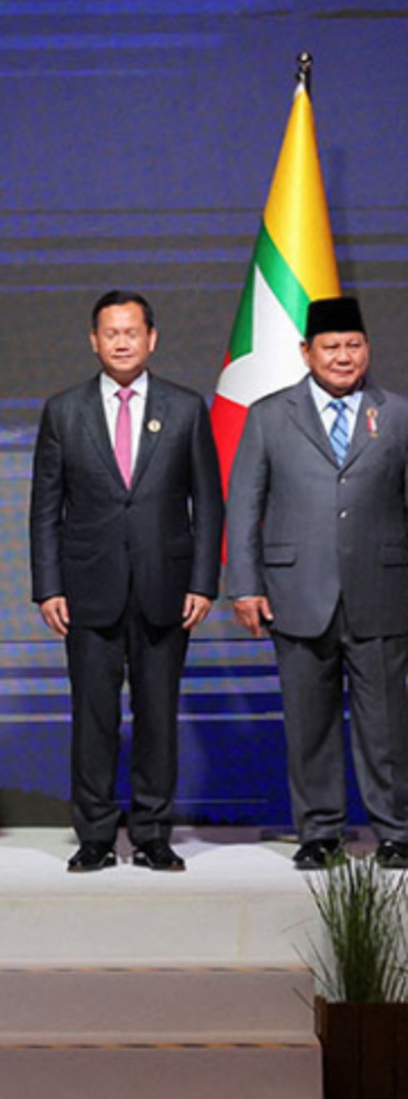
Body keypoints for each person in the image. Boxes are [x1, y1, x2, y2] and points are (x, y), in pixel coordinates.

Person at [29, 291, 223, 873]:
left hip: (167, 589)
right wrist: (48, 586)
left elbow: (208, 504)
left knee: (157, 717)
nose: (121, 342)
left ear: (151, 339)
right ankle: (93, 836)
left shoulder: (185, 409)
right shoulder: (64, 411)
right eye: (110, 333)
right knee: (93, 719)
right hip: (87, 591)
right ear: (94, 340)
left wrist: (204, 583)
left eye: (131, 332)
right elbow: (45, 508)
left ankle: (152, 835)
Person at [226, 295, 408, 870]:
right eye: (331, 347)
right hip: (295, 593)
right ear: (307, 351)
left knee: (388, 726)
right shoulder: (268, 415)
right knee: (309, 724)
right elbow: (244, 506)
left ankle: (395, 831)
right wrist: (245, 586)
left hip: (382, 591)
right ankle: (321, 833)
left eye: (353, 345)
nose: (343, 356)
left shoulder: (397, 414)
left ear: (368, 348)